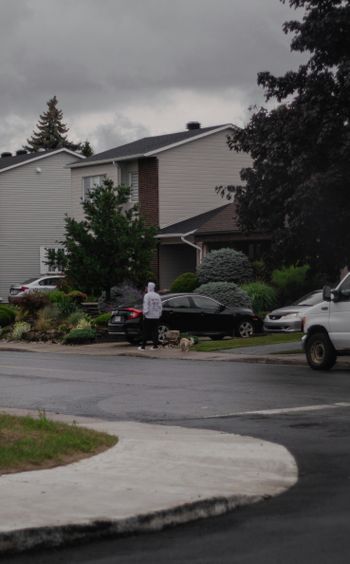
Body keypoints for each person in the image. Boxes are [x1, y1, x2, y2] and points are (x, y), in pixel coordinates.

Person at [138, 282, 162, 350]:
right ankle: (155, 346)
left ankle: (143, 347)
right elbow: (160, 306)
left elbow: (146, 306)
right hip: (156, 316)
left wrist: (145, 313)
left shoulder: (147, 295)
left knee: (145, 331)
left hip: (148, 316)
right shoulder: (157, 295)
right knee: (155, 331)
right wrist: (159, 314)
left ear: (149, 287)